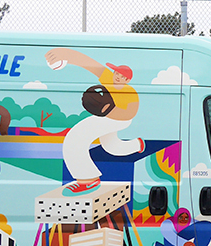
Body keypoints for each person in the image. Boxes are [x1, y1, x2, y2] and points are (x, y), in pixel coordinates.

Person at [46, 48, 144, 194]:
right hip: (107, 116)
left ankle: (88, 179)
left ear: (127, 80)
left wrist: (107, 109)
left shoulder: (131, 93)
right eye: (116, 73)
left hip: (121, 118)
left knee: (75, 137)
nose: (117, 76)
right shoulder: (108, 79)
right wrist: (65, 55)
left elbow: (130, 113)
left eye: (121, 75)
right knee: (111, 146)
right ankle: (137, 145)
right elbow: (89, 64)